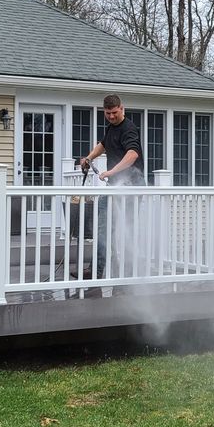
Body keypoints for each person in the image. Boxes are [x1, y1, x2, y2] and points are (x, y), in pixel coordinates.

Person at [78, 95, 144, 290]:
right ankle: (97, 271)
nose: (112, 117)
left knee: (126, 230)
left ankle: (127, 272)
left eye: (115, 113)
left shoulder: (129, 128)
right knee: (102, 227)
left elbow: (133, 154)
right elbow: (103, 145)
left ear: (122, 109)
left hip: (131, 186)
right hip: (114, 186)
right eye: (108, 114)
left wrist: (112, 172)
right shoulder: (111, 128)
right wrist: (88, 158)